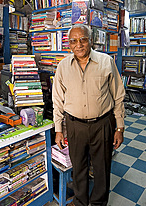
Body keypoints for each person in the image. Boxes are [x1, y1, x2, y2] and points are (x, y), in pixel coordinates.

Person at [53, 24, 125, 206]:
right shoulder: (63, 67)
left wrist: (119, 127)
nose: (78, 44)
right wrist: (59, 130)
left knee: (101, 168)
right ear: (69, 44)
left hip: (102, 124)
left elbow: (118, 96)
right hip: (74, 125)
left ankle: (99, 203)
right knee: (78, 167)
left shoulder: (106, 62)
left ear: (90, 40)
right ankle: (80, 202)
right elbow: (58, 101)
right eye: (73, 41)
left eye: (83, 39)